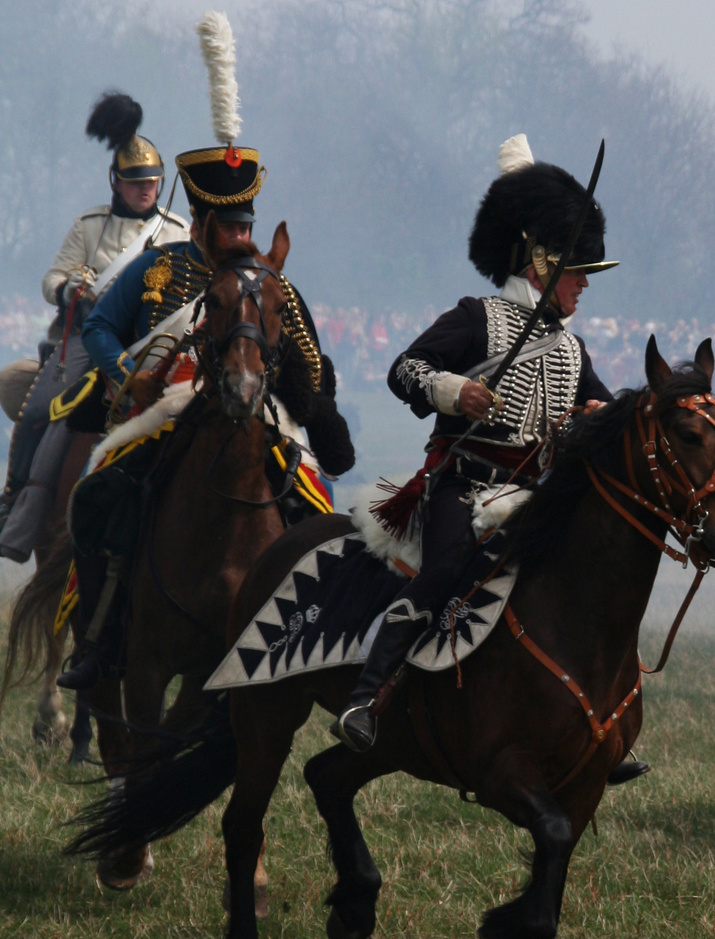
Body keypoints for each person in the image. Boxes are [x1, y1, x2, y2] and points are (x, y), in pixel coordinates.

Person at [58, 20, 353, 691]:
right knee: (101, 492)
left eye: (246, 225)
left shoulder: (275, 285)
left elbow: (307, 361)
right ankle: (101, 636)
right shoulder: (156, 270)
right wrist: (123, 378)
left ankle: (319, 640)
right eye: (229, 226)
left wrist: (319, 410)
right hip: (166, 407)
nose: (239, 236)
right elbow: (102, 327)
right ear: (200, 224)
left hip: (262, 408)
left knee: (320, 506)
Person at [332, 134, 624, 757]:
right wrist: (454, 390)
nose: (585, 286)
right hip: (464, 487)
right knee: (441, 573)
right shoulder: (475, 317)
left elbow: (596, 405)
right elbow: (404, 369)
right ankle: (364, 696)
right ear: (542, 264)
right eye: (578, 271)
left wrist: (600, 415)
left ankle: (594, 721)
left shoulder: (572, 348)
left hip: (535, 495)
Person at [0, 92, 189, 558]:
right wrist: (70, 290)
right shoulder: (88, 226)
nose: (146, 188)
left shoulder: (177, 230)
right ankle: (15, 495)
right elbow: (52, 279)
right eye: (135, 181)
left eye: (152, 180)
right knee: (38, 408)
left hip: (152, 341)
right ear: (117, 183)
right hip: (88, 337)